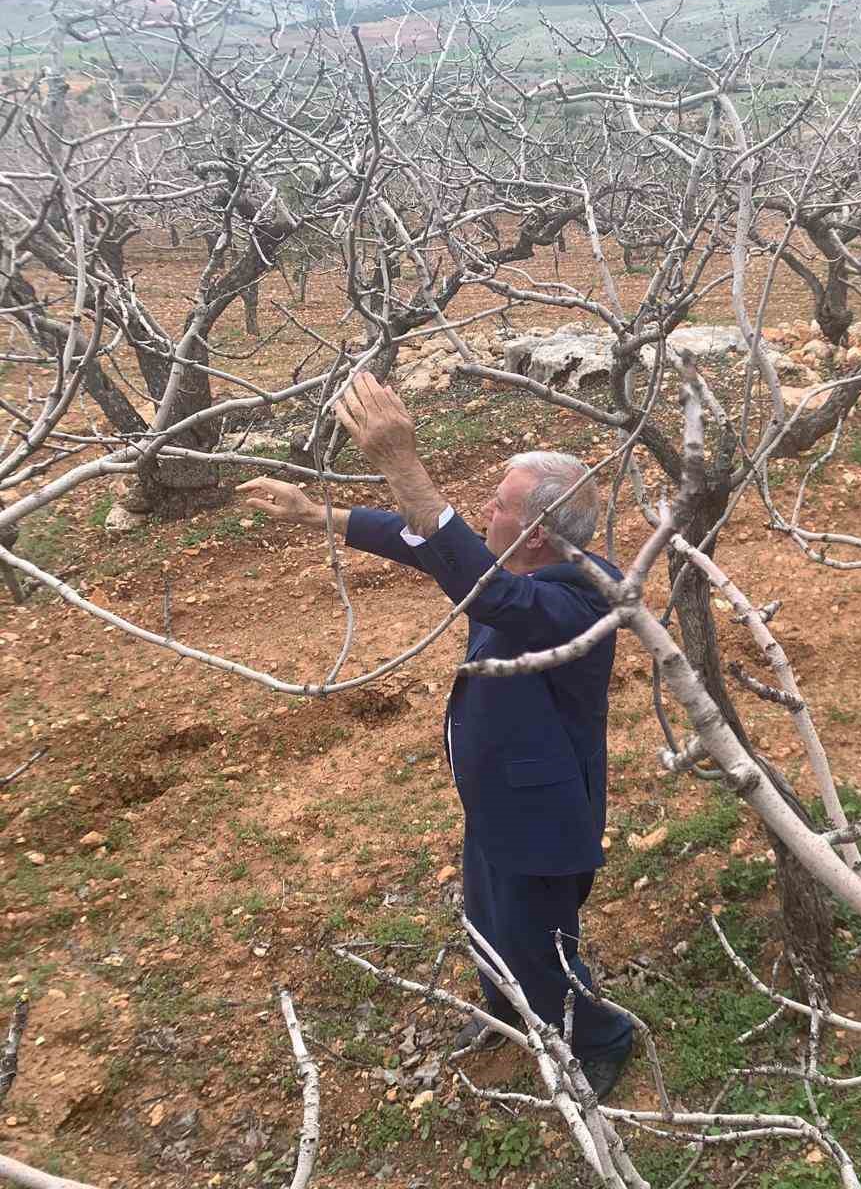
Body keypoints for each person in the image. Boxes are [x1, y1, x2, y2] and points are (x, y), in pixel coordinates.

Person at [239, 372, 635, 1096]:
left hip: (544, 813)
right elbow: (422, 540)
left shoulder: (579, 601)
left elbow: (485, 585)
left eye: (499, 503)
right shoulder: (511, 565)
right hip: (498, 794)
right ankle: (507, 1009)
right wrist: (312, 513)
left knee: (537, 941)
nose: (484, 508)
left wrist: (402, 463)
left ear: (538, 531)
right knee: (486, 917)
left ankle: (602, 1036)